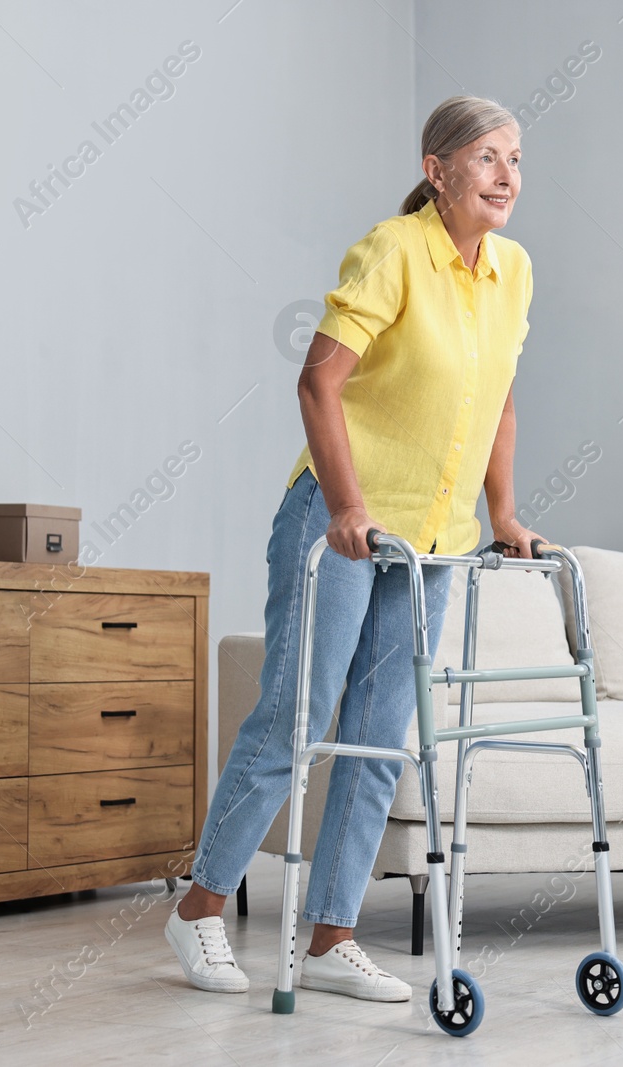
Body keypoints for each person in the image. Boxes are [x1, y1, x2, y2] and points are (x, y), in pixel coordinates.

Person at [165, 94, 538, 1002]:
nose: (506, 177)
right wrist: (345, 506)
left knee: (381, 739)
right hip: (341, 525)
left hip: (432, 545)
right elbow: (319, 379)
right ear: (436, 168)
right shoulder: (393, 250)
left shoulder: (515, 271)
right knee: (298, 717)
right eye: (486, 158)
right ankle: (199, 911)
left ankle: (331, 938)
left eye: (517, 161)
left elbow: (497, 400)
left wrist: (505, 514)